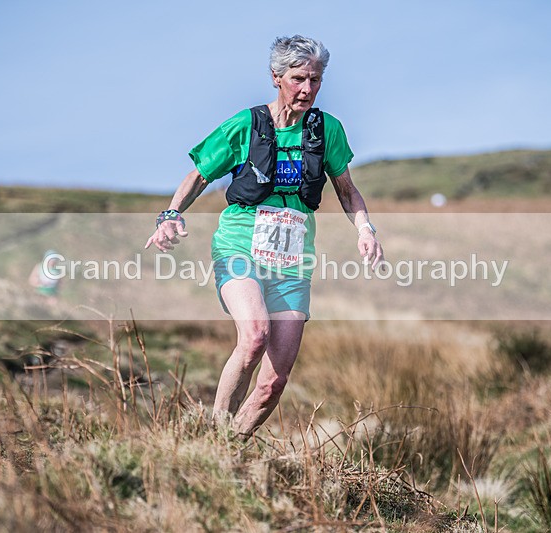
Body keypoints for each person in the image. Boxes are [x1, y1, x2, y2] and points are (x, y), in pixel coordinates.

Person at [145, 35, 384, 438]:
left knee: (275, 381)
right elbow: (199, 176)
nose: (307, 88)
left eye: (315, 80)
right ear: (276, 77)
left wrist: (365, 229)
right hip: (240, 248)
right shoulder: (246, 125)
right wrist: (169, 216)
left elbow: (347, 190)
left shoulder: (326, 130)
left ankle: (231, 448)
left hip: (292, 263)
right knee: (255, 336)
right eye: (298, 79)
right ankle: (212, 438)